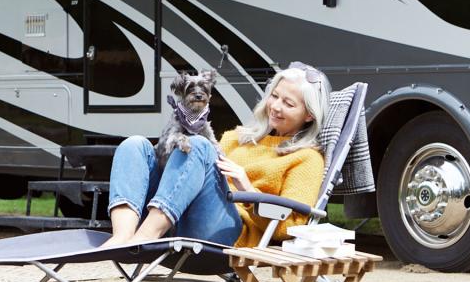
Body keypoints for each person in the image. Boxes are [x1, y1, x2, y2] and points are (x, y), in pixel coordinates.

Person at [102, 62, 330, 248]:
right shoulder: (236, 137)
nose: (276, 106)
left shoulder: (307, 158)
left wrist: (248, 189)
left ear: (309, 115)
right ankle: (122, 237)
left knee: (198, 145)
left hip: (227, 232)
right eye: (275, 96)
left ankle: (145, 238)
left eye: (288, 103)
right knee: (135, 145)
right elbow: (188, 174)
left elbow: (289, 228)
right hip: (179, 213)